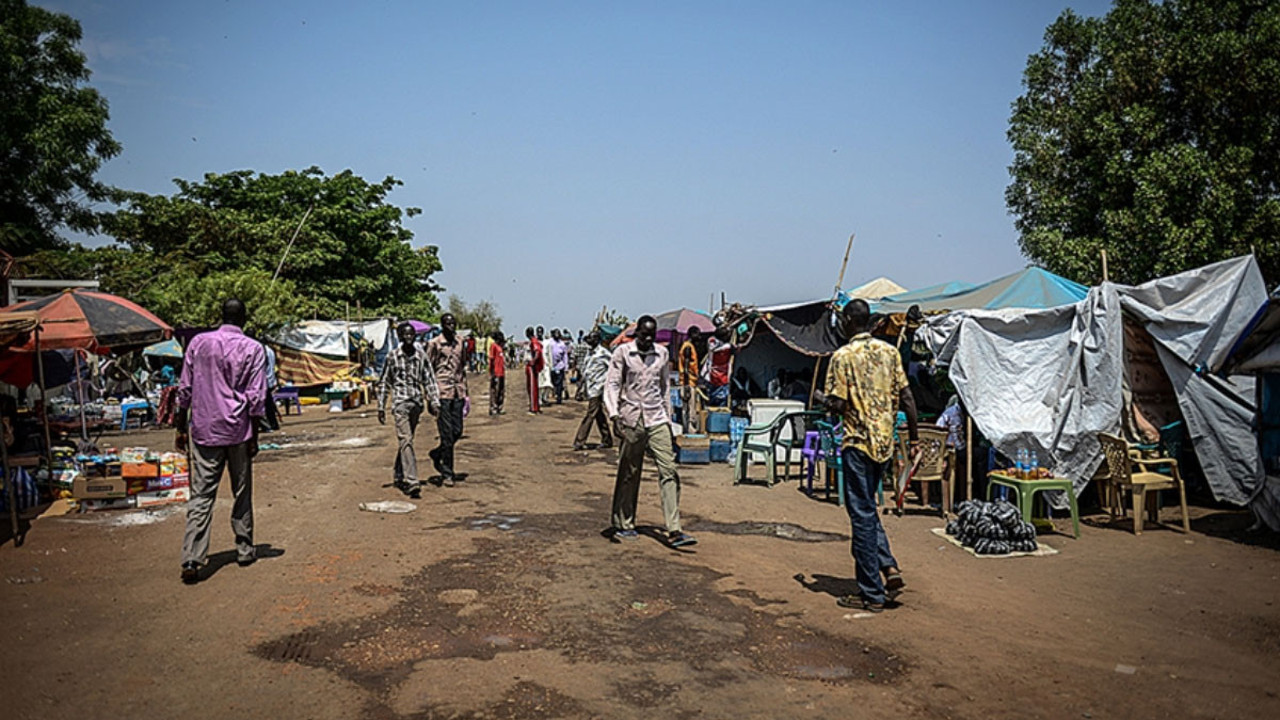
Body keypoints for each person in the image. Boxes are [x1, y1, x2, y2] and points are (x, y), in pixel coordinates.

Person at [824, 298, 917, 613]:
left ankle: (871, 593)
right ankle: (887, 566)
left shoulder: (842, 357)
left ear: (849, 321)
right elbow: (907, 397)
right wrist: (914, 439)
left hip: (858, 444)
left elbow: (837, 406)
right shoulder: (890, 353)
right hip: (884, 445)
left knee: (861, 517)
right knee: (868, 510)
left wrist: (824, 400)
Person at [175, 298, 267, 585]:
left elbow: (185, 389)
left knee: (201, 495)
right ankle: (244, 548)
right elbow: (257, 396)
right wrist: (256, 434)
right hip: (239, 430)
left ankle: (192, 556)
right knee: (241, 491)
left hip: (204, 428)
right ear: (245, 318)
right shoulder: (253, 348)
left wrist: (180, 427)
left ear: (221, 316)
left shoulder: (198, 343)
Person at [604, 315, 696, 548]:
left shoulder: (662, 354)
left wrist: (669, 421)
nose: (647, 339)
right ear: (637, 334)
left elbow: (664, 387)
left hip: (656, 418)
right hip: (631, 418)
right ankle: (624, 522)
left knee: (669, 469)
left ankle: (674, 529)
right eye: (643, 334)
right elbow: (613, 384)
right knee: (630, 471)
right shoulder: (623, 353)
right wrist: (614, 415)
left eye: (651, 335)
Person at [377, 321, 441, 498]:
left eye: (411, 334)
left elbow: (429, 380)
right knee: (406, 440)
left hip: (416, 403)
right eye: (405, 334)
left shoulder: (421, 357)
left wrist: (434, 402)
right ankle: (412, 481)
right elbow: (385, 382)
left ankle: (399, 472)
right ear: (399, 337)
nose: (408, 337)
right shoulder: (392, 357)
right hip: (400, 403)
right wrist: (381, 406)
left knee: (408, 440)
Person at [426, 313, 468, 487]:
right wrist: (429, 396)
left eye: (453, 323)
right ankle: (447, 473)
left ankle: (437, 453)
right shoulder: (434, 344)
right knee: (446, 434)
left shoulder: (460, 342)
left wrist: (467, 392)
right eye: (447, 323)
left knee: (457, 430)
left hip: (458, 391)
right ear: (442, 326)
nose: (451, 326)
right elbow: (428, 369)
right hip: (441, 391)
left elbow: (462, 366)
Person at [572, 331, 613, 451]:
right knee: (599, 414)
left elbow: (613, 369)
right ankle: (607, 439)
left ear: (597, 340)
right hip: (590, 387)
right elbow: (586, 371)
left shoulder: (603, 353)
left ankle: (580, 440)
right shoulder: (589, 353)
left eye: (592, 338)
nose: (590, 340)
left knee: (590, 414)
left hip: (598, 388)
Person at [678, 327, 701, 434]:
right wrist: (687, 385)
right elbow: (686, 368)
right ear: (692, 334)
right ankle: (690, 431)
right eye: (698, 334)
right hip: (688, 382)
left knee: (686, 408)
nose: (699, 337)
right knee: (690, 408)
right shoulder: (688, 347)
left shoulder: (687, 346)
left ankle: (686, 430)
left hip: (688, 381)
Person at [524, 326, 543, 414]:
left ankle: (533, 408)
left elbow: (537, 351)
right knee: (534, 387)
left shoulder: (533, 341)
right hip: (533, 366)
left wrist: (533, 361)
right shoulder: (534, 341)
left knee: (532, 388)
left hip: (532, 367)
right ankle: (536, 406)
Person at [549, 329, 569, 404]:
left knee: (559, 383)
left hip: (560, 365)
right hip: (552, 365)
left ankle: (559, 398)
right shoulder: (550, 343)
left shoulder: (562, 344)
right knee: (553, 382)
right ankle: (555, 393)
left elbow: (565, 356)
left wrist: (566, 366)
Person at [488, 331, 506, 415]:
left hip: (501, 372)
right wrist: (492, 373)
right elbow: (491, 359)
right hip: (496, 372)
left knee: (501, 390)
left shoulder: (500, 347)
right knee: (494, 390)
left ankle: (500, 406)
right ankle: (493, 407)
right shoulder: (494, 346)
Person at [536, 326, 554, 405]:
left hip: (546, 365)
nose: (539, 333)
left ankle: (545, 397)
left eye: (541, 332)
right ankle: (539, 399)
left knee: (548, 382)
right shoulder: (535, 342)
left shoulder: (547, 343)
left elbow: (549, 354)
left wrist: (551, 365)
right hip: (538, 366)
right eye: (538, 332)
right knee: (540, 384)